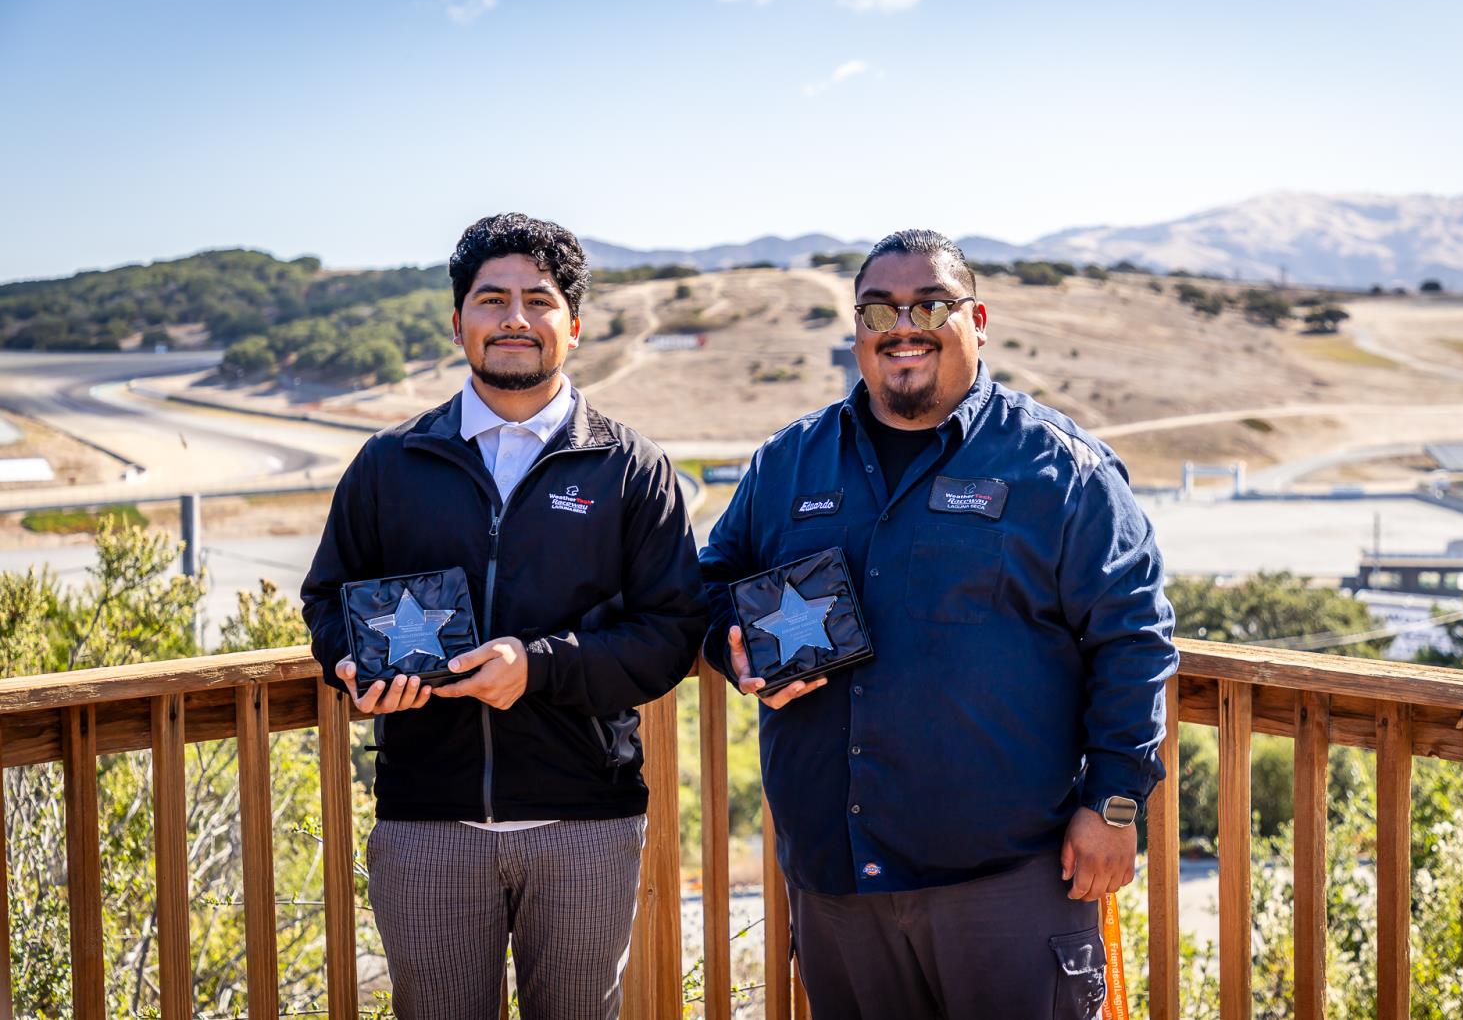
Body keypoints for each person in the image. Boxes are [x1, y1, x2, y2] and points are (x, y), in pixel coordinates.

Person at [698, 230, 1177, 1019]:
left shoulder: (1059, 468)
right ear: (857, 329)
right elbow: (711, 582)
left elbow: (1133, 637)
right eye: (880, 308)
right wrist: (735, 646)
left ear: (977, 319)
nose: (903, 324)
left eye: (931, 304)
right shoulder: (788, 462)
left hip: (1008, 885)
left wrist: (1116, 803)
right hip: (838, 884)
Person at [302, 213, 707, 1020]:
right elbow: (328, 600)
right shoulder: (391, 464)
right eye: (492, 300)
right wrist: (351, 666)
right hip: (427, 823)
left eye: (538, 299)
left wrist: (540, 667)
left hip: (586, 823)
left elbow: (670, 633)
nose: (515, 319)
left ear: (574, 325)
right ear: (458, 323)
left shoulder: (632, 468)